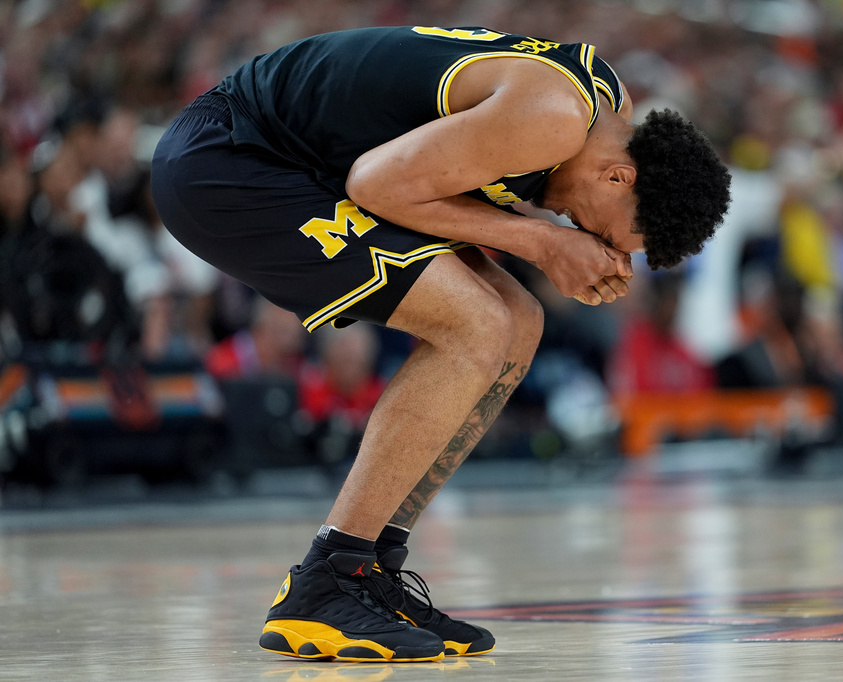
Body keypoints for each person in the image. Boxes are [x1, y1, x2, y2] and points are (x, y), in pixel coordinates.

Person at [151, 25, 731, 663]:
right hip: (233, 156)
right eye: (610, 234)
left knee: (519, 321)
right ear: (619, 176)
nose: (595, 239)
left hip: (312, 163)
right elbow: (374, 184)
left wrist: (553, 242)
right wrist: (544, 242)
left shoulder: (604, 112)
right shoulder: (556, 117)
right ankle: (327, 578)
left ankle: (371, 570)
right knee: (475, 324)